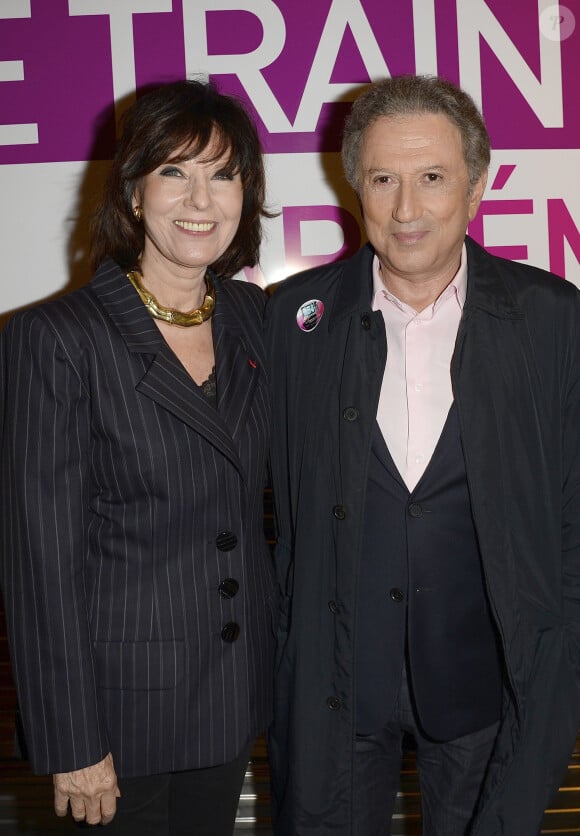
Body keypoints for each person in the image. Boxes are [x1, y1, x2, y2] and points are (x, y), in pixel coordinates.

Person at [265, 74, 580, 835]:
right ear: (355, 190)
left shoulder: (552, 321)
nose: (407, 210)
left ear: (476, 188)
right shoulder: (290, 325)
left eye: (432, 178)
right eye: (384, 180)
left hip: (487, 695)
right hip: (335, 696)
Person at [0, 79, 277, 834]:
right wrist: (72, 740)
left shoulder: (255, 319)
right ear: (131, 191)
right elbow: (40, 564)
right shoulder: (56, 339)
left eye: (224, 175)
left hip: (229, 695)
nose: (202, 198)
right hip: (119, 718)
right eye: (174, 171)